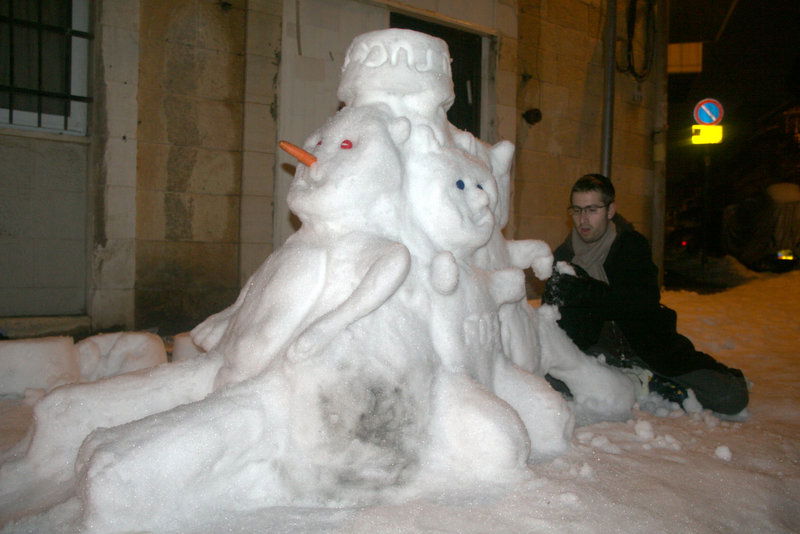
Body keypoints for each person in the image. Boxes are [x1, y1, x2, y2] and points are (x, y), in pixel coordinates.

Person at [542, 174, 749, 415]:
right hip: (599, 352)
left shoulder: (630, 245)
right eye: (576, 210)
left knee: (730, 398)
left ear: (610, 210)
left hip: (647, 347)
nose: (583, 219)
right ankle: (636, 382)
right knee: (552, 381)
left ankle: (650, 381)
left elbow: (642, 301)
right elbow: (555, 322)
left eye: (592, 209)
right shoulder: (564, 256)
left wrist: (587, 291)